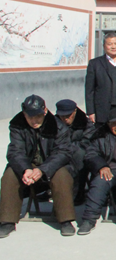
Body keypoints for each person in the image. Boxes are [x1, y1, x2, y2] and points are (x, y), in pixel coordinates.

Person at [0, 95, 76, 238]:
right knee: (9, 176)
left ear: (45, 111)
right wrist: (25, 169)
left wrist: (43, 170)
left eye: (38, 116)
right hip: (28, 163)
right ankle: (7, 221)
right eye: (30, 117)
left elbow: (63, 153)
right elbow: (15, 151)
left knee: (62, 176)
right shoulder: (17, 125)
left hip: (51, 163)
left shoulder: (58, 126)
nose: (34, 121)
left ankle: (65, 220)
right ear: (24, 114)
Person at [85, 32, 116, 124]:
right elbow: (89, 90)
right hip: (101, 109)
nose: (113, 47)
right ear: (104, 46)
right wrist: (90, 111)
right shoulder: (95, 64)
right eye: (109, 44)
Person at [54, 99, 95, 204]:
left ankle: (78, 191)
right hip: (59, 154)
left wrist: (69, 148)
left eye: (68, 115)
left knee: (80, 154)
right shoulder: (53, 123)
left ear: (75, 111)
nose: (65, 119)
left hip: (78, 156)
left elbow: (88, 142)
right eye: (62, 116)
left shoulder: (85, 123)